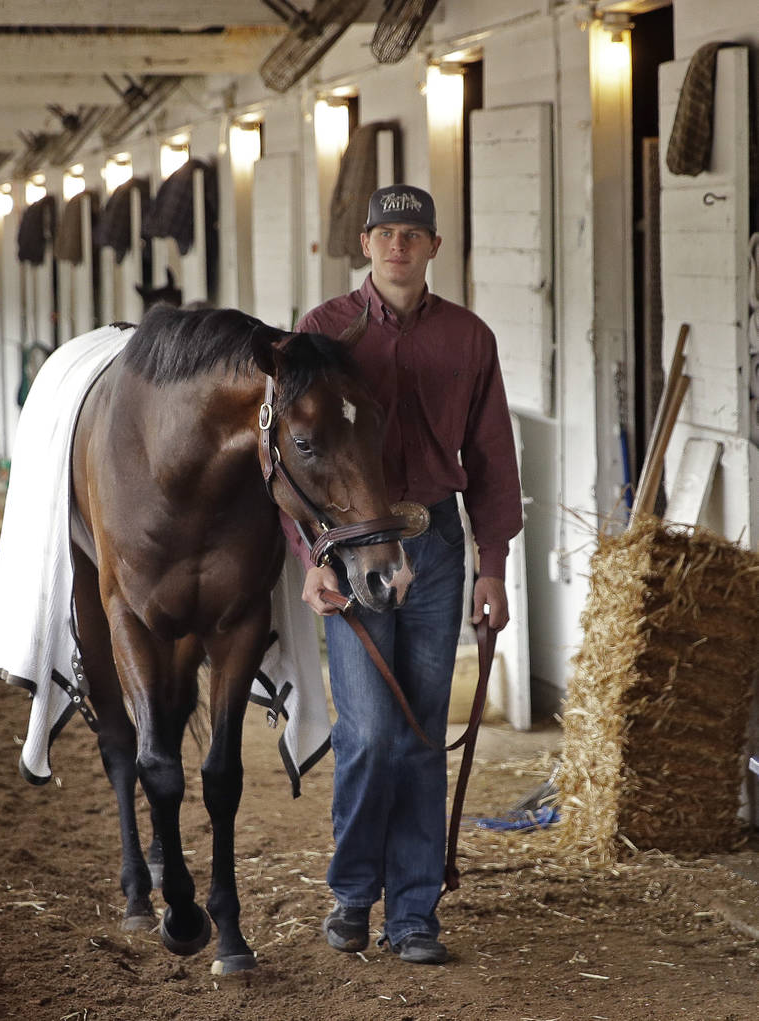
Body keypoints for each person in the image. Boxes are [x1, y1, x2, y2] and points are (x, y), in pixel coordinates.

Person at [289, 184, 523, 965]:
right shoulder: (322, 332)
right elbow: (289, 458)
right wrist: (308, 559)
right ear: (365, 244)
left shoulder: (469, 337)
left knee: (422, 733)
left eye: (413, 234)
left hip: (435, 543)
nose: (399, 246)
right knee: (370, 731)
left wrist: (495, 567)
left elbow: (493, 459)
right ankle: (355, 891)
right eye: (386, 233)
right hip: (353, 547)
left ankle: (415, 911)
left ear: (433, 248)